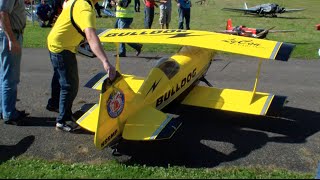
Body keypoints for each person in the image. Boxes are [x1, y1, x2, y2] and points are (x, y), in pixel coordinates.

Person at [47, 0, 116, 132]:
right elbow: (91, 36)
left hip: (55, 42)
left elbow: (65, 4)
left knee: (60, 77)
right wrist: (105, 61)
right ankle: (63, 120)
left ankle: (55, 104)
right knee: (70, 84)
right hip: (62, 47)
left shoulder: (78, 1)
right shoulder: (85, 8)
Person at [0, 0, 28, 125]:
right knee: (10, 76)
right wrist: (11, 39)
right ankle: (9, 113)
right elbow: (2, 13)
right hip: (10, 35)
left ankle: (4, 109)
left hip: (10, 35)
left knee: (5, 75)